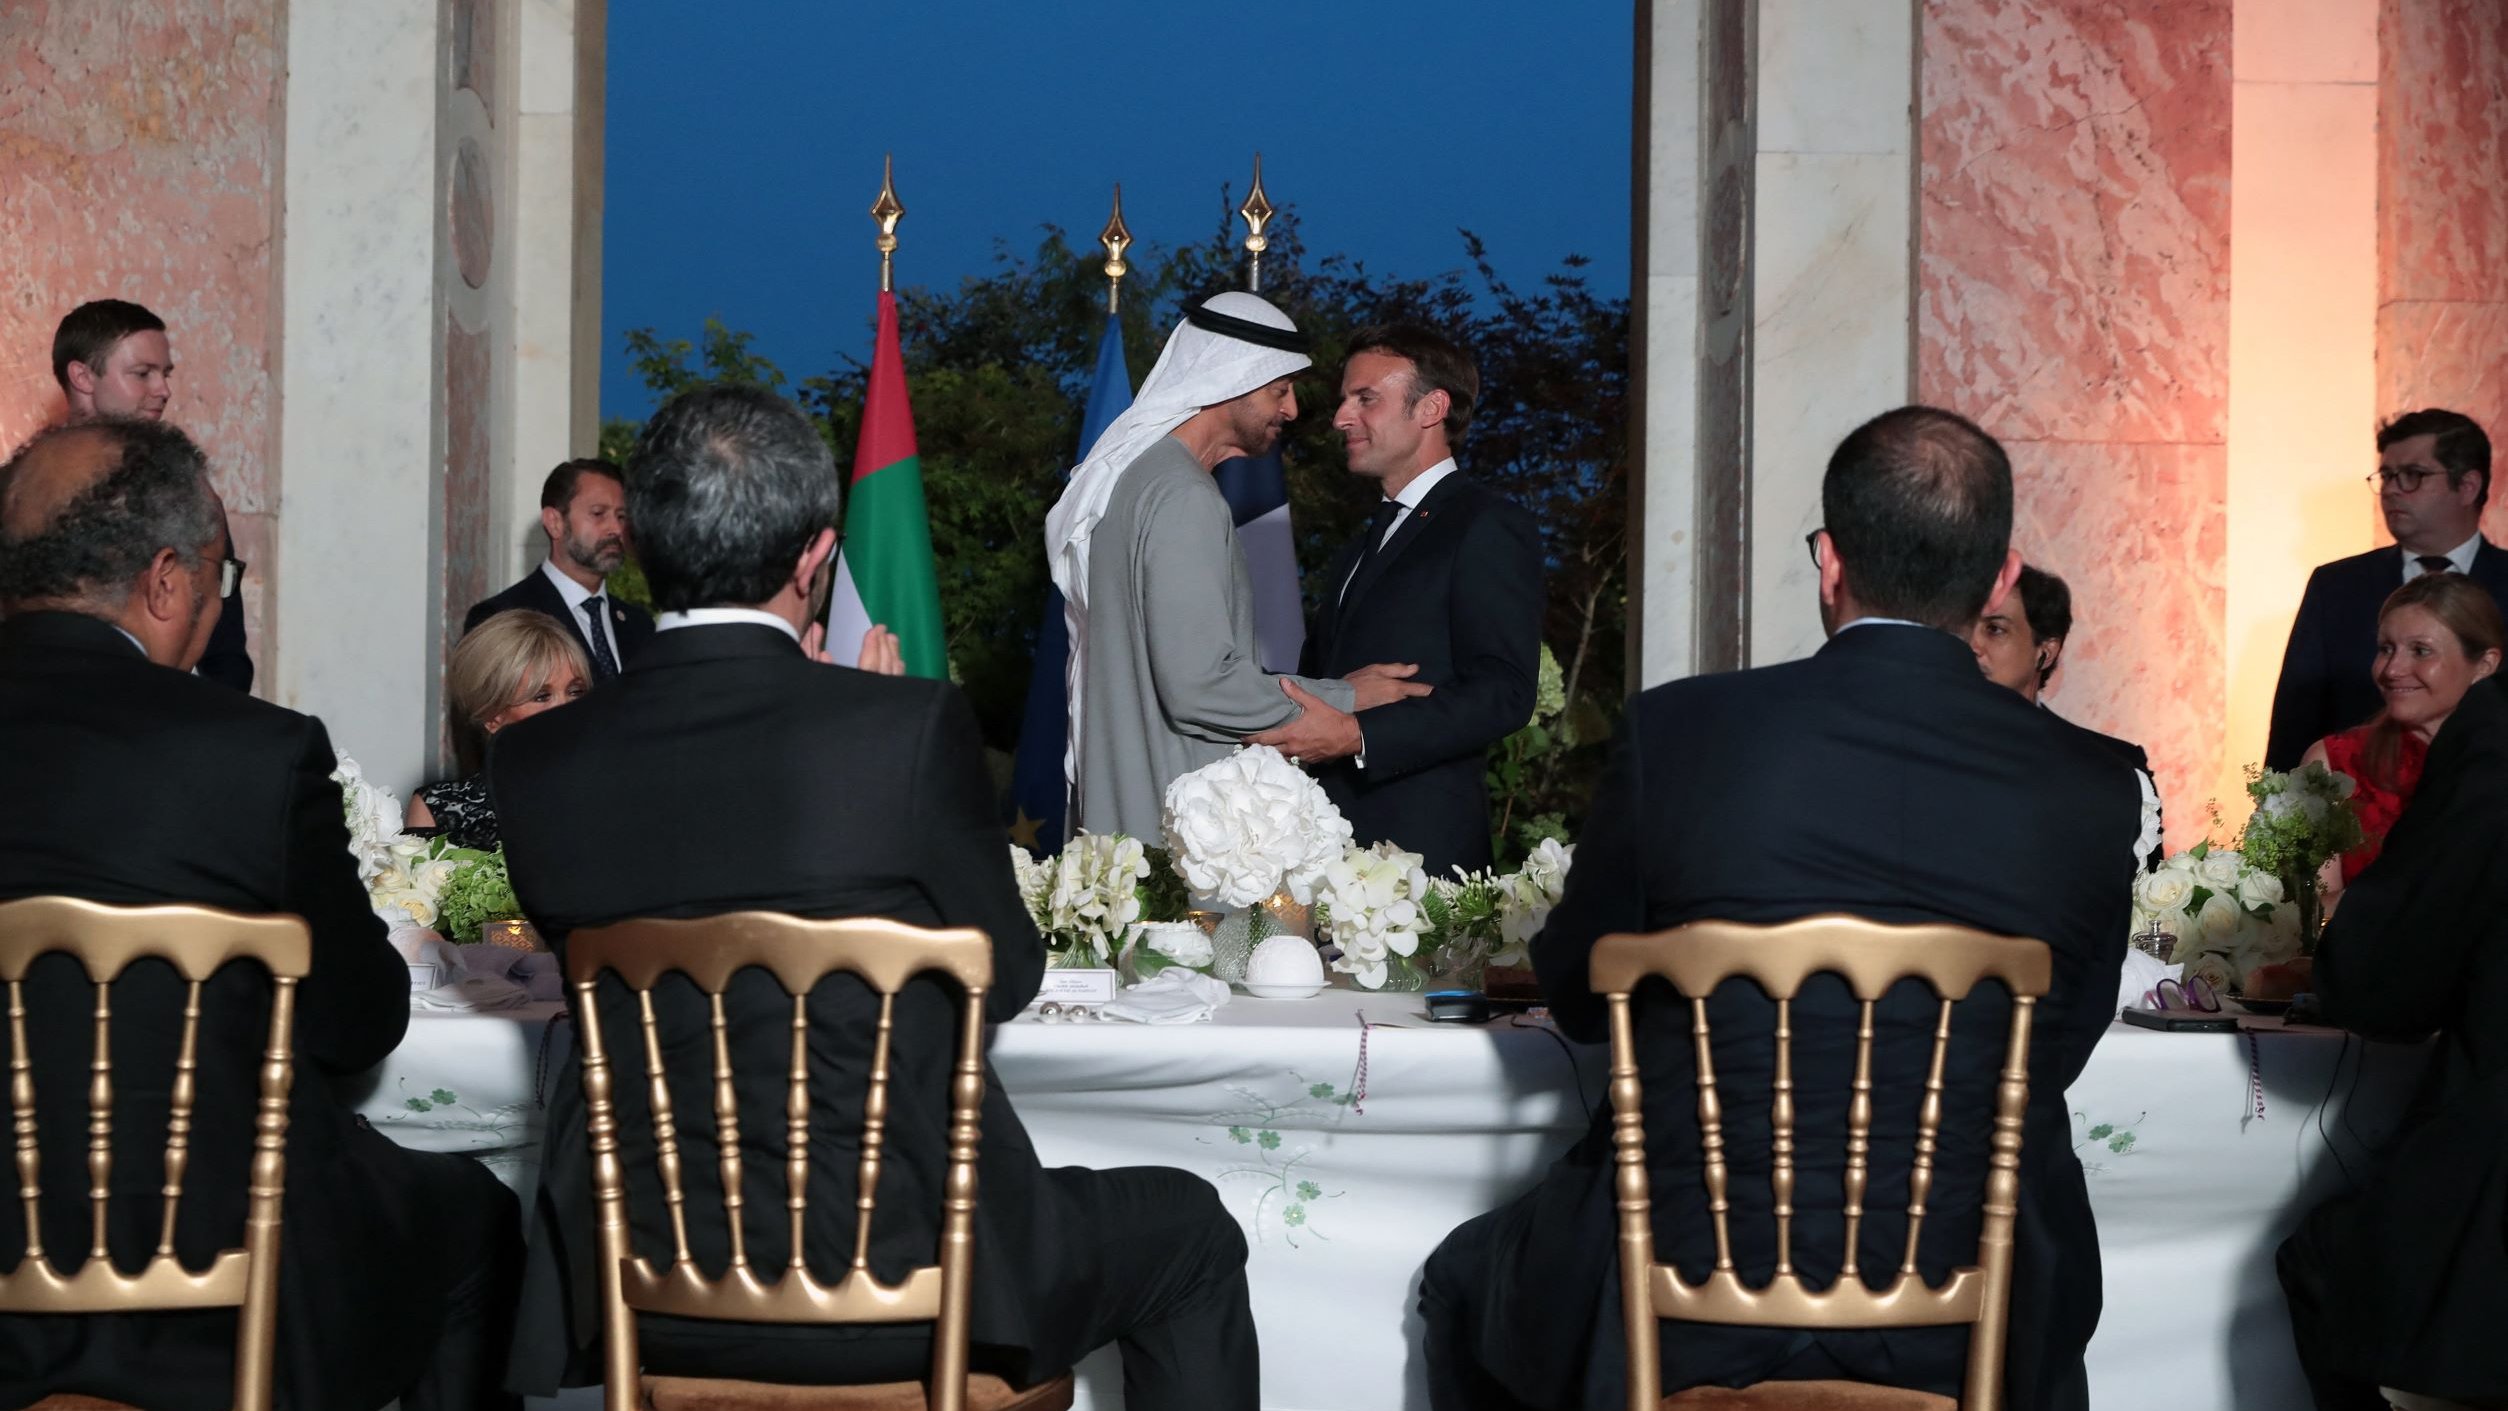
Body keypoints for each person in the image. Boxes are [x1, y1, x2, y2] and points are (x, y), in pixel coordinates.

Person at [496, 386, 1257, 1408]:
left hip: (644, 1289)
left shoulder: (537, 759)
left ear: (639, 545)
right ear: (815, 558)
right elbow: (1008, 976)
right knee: (1193, 1229)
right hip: (915, 1280)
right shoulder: (900, 730)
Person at [1419, 407, 2139, 1411]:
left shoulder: (1682, 730)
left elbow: (1581, 996)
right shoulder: (2097, 783)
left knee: (1466, 1279)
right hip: (1974, 1310)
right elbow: (2052, 1050)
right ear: (2003, 575)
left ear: (1831, 562)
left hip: (1675, 1300)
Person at [0, 420, 521, 1411]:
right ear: (166, 582)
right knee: (477, 1223)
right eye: (218, 577)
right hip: (217, 1305)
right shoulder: (251, 755)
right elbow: (358, 1026)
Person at [1044, 291, 1426, 842]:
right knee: (1229, 938)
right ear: (1231, 383)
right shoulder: (1181, 494)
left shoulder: (1131, 483)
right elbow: (1199, 685)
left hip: (1130, 825)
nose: (1292, 410)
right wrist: (1348, 697)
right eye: (1280, 389)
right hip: (1180, 838)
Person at [2277, 669, 2508, 1410]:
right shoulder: (2340, 756)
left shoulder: (2496, 730)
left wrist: (2341, 959)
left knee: (2330, 1261)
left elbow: (2389, 975)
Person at [1262, 322, 1543, 878]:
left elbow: (1504, 692)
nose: (1342, 417)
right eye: (1346, 399)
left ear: (1432, 407)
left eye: (1366, 399)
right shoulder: (1355, 550)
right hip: (1321, 860)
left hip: (1421, 868)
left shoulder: (1485, 524)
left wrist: (1358, 735)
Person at [2266, 409, 2508, 768]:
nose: (2392, 490)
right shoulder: (2336, 586)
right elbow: (2295, 720)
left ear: (2468, 486)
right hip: (2354, 808)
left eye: (2413, 475)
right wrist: (2280, 812)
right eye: (2387, 475)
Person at [51, 296, 254, 693]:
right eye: (142, 373)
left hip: (173, 717)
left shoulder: (190, 487)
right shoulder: (27, 493)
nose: (163, 389)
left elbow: (224, 634)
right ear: (83, 376)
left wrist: (218, 711)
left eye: (165, 373)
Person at [2298, 572, 2503, 898]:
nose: (2392, 670)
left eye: (2421, 651)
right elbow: (2306, 916)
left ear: (2484, 665)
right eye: (2386, 648)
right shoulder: (2335, 765)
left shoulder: (2495, 763)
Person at [1971, 562, 2163, 867]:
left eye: (1995, 629)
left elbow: (2142, 903)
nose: (1973, 645)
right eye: (1965, 628)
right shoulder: (1918, 747)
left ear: (2045, 652)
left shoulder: (2113, 767)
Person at [406, 610, 592, 848]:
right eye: (542, 696)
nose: (566, 708)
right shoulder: (439, 809)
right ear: (493, 716)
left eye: (576, 691)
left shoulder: (616, 793)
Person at [464, 456, 654, 681]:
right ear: (555, 522)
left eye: (621, 516)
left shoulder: (639, 624)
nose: (615, 528)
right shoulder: (501, 617)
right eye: (598, 513)